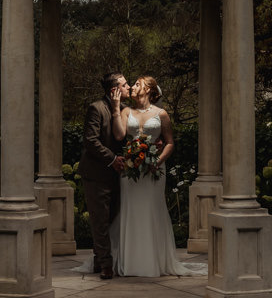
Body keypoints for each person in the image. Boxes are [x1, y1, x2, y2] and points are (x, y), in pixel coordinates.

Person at [105, 76, 206, 277]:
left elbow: (169, 143)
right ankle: (131, 262)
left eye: (136, 84)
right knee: (131, 210)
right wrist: (116, 108)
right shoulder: (126, 111)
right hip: (130, 171)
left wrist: (157, 161)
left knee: (152, 209)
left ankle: (153, 261)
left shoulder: (162, 114)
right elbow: (118, 135)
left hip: (154, 171)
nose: (132, 87)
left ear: (149, 89)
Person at [80, 71, 128, 279]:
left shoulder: (126, 110)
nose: (129, 87)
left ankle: (99, 260)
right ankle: (106, 265)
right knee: (100, 220)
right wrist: (112, 159)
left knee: (112, 218)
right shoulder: (96, 108)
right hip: (97, 174)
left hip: (119, 175)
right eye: (125, 85)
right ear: (114, 90)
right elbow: (91, 140)